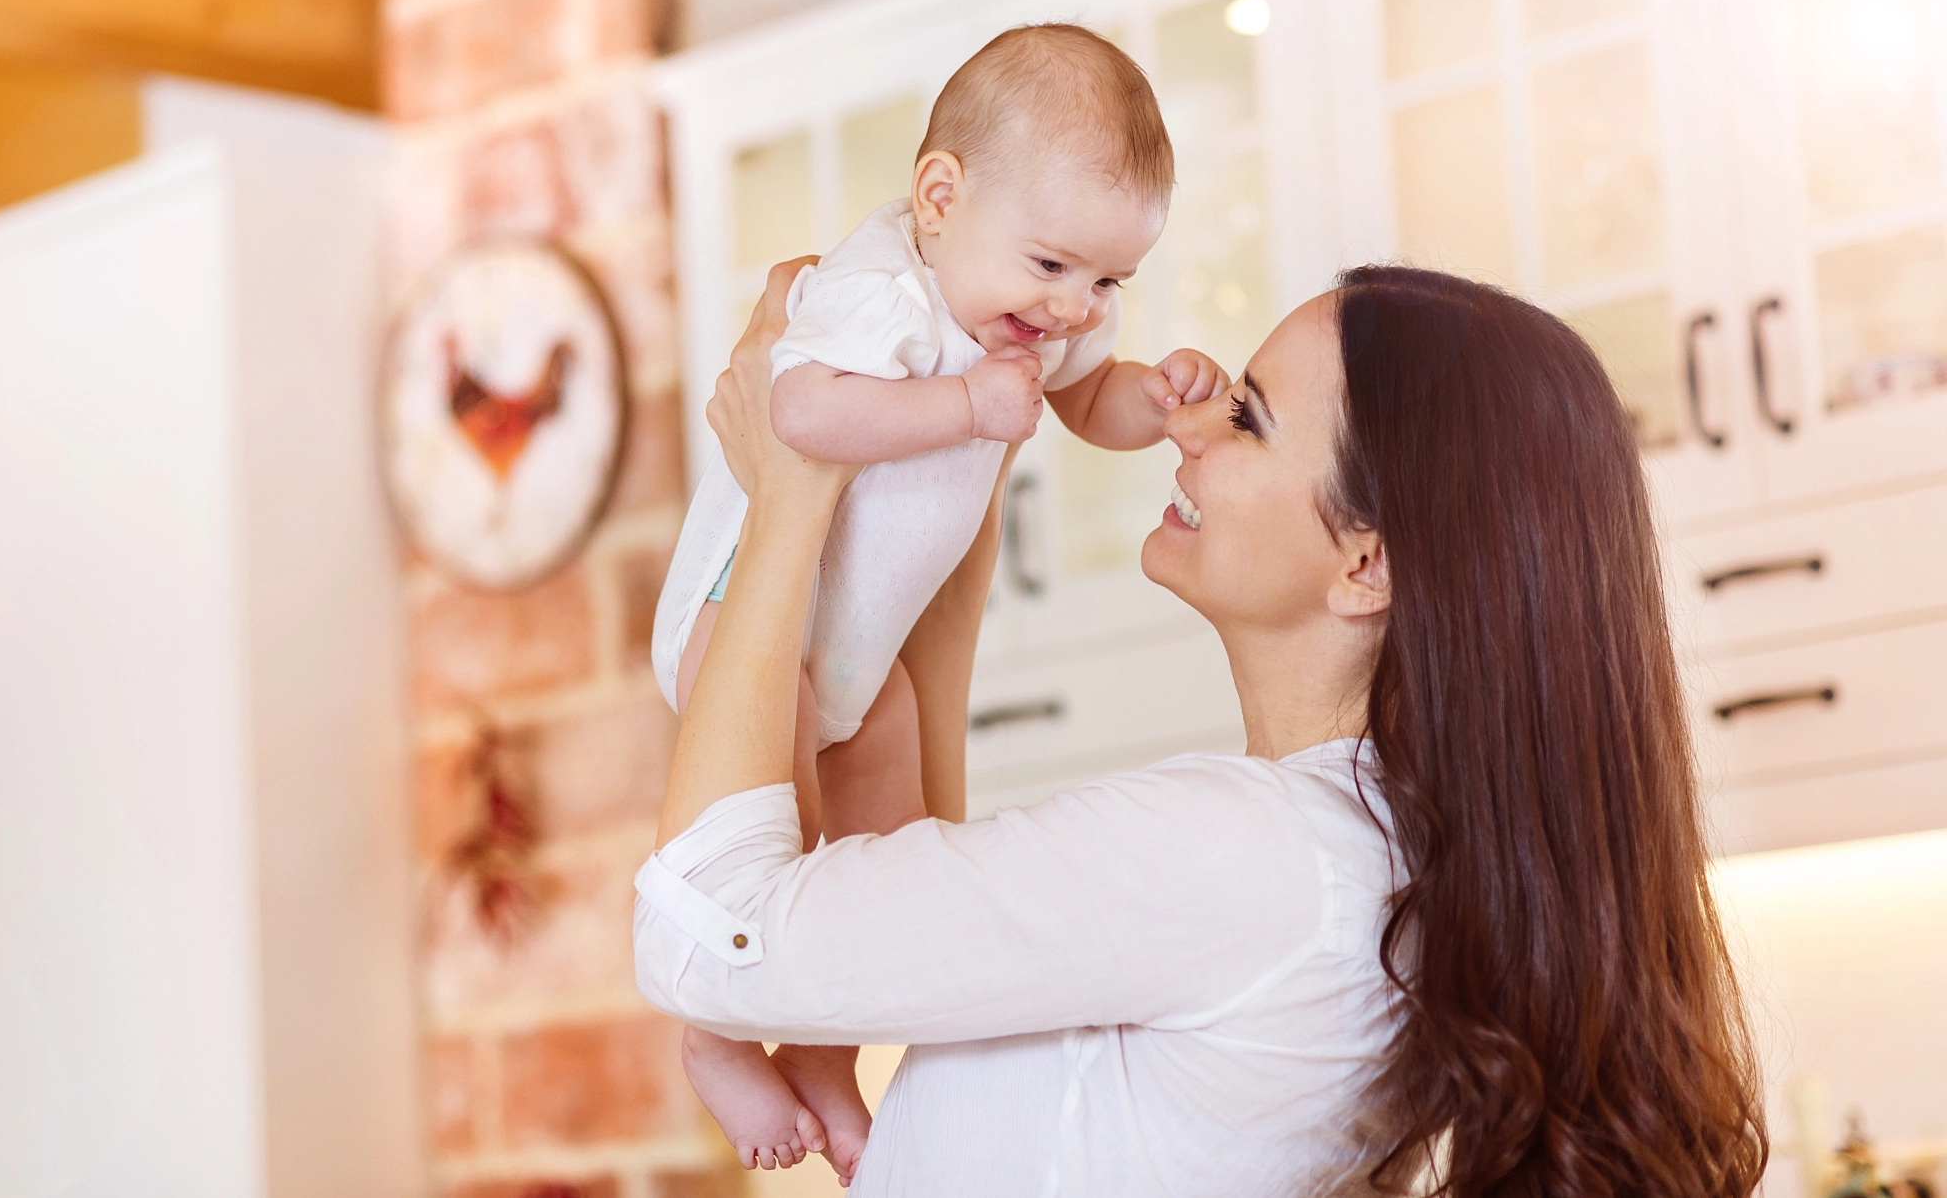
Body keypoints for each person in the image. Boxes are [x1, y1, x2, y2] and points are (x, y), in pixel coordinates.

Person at [634, 261, 1770, 1197]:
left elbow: (707, 937)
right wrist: (950, 519)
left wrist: (787, 491)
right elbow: (928, 906)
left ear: (1364, 561)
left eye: (1248, 418)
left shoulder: (1250, 857)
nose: (1188, 428)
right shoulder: (1376, 863)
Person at [650, 23, 1226, 1179]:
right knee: (780, 848)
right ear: (938, 196)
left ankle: (825, 1054)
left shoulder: (1028, 310)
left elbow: (1084, 401)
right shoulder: (879, 290)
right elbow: (800, 415)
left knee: (887, 856)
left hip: (861, 654)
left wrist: (1153, 402)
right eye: (1053, 266)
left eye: (1108, 279)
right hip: (744, 621)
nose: (1072, 308)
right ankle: (710, 1039)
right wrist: (964, 409)